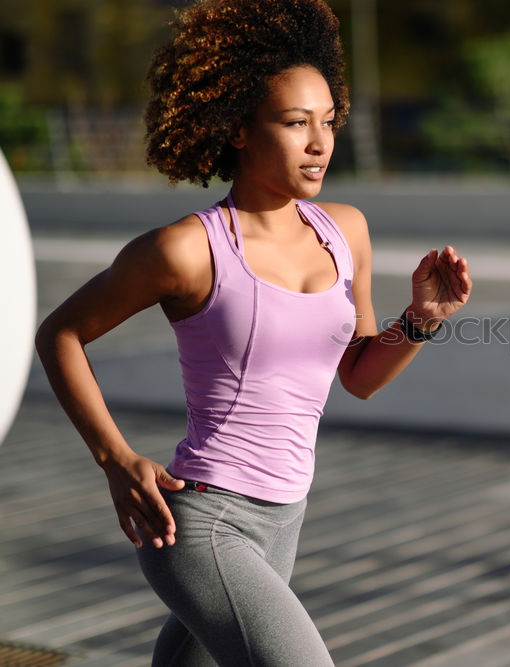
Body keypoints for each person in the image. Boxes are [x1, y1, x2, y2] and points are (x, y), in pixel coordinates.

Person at [33, 0, 472, 664]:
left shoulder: (343, 230)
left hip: (285, 520)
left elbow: (356, 377)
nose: (320, 142)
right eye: (296, 123)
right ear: (239, 128)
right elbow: (60, 333)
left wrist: (421, 321)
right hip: (205, 522)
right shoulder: (188, 249)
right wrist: (116, 461)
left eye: (327, 122)